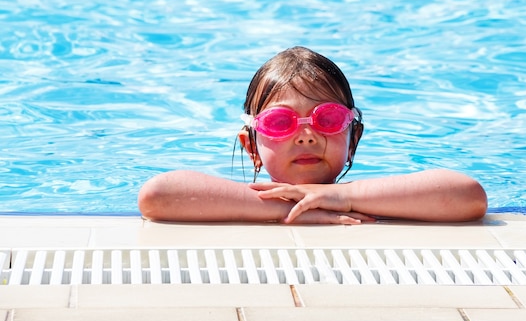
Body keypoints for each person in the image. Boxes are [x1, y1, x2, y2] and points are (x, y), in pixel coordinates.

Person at [138, 46, 487, 224]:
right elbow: (158, 195)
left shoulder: (375, 197)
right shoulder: (230, 197)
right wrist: (285, 210)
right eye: (280, 122)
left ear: (353, 140)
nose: (306, 137)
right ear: (252, 147)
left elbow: (467, 196)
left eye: (327, 119)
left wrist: (341, 197)